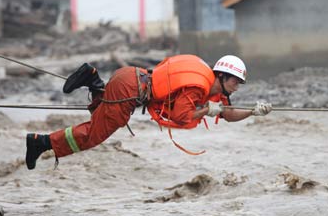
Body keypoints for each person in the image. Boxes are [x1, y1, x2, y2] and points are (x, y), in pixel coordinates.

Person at [25, 54, 273, 170]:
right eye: (236, 81)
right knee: (94, 135)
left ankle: (93, 80)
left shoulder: (206, 79)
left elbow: (226, 113)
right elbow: (180, 116)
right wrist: (208, 110)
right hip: (130, 88)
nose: (238, 86)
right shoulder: (198, 88)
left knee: (99, 119)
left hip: (131, 78)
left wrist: (253, 112)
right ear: (222, 75)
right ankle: (41, 143)